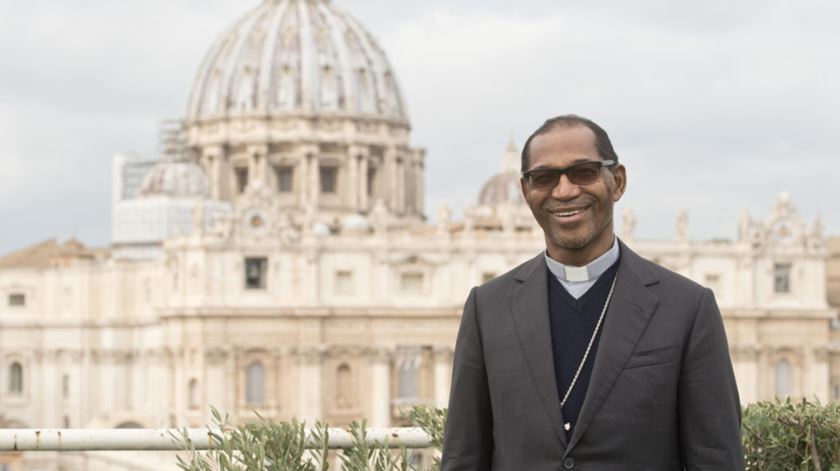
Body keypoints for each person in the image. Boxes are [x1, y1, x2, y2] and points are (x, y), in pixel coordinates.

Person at [441, 115, 744, 470]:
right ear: (526, 193)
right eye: (545, 178)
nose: (565, 191)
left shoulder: (688, 308)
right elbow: (464, 456)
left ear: (617, 182)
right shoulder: (486, 308)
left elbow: (716, 459)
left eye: (583, 172)